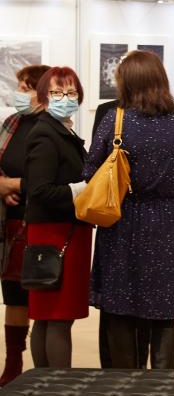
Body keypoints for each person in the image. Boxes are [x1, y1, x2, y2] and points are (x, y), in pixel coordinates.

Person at [86, 51, 174, 369]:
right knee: (162, 304)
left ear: (126, 82)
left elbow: (91, 171)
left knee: (120, 304)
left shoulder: (116, 120)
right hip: (166, 221)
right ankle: (162, 381)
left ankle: (125, 381)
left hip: (121, 219)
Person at [24, 66, 94, 368]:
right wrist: (80, 190)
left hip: (63, 232)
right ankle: (57, 386)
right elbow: (39, 190)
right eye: (56, 92)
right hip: (55, 234)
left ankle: (44, 383)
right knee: (57, 316)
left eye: (71, 92)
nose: (65, 98)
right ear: (44, 96)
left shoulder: (62, 130)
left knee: (48, 315)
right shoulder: (45, 134)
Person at [0, 64, 50, 385]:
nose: (19, 93)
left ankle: (44, 368)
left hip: (41, 222)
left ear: (41, 93)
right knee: (13, 296)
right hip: (10, 223)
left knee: (41, 297)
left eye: (25, 88)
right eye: (19, 86)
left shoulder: (53, 126)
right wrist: (1, 185)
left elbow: (54, 176)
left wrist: (13, 185)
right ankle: (13, 364)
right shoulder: (11, 123)